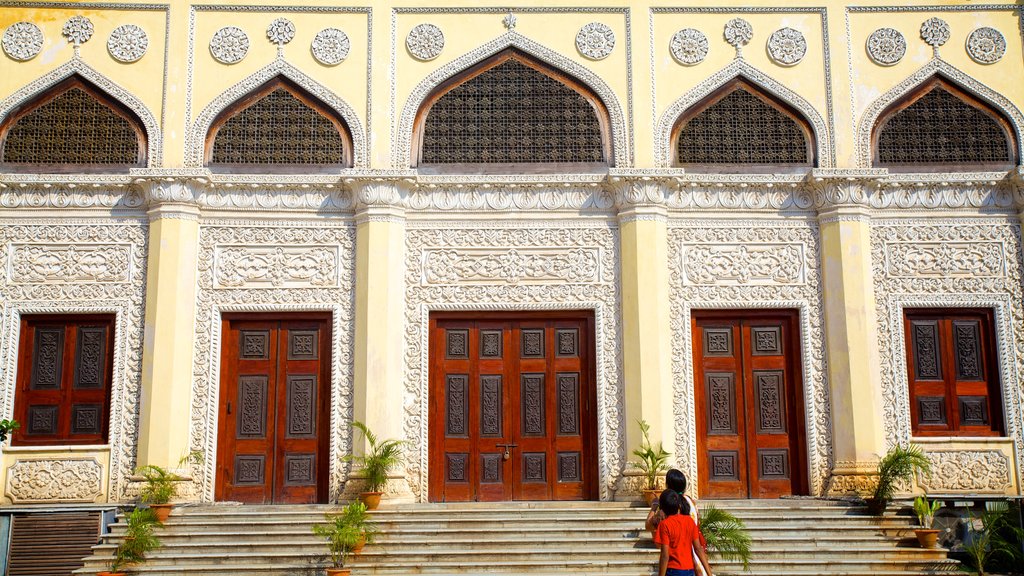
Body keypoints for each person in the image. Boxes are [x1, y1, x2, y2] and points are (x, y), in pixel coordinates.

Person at [646, 469, 707, 576]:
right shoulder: (691, 502)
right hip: (691, 559)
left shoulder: (667, 505)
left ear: (668, 485)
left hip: (674, 563)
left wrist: (654, 506)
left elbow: (649, 525)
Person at [654, 489, 713, 576]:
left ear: (662, 508)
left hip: (673, 570)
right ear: (679, 505)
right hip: (689, 570)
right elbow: (698, 549)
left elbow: (665, 555)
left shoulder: (664, 525)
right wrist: (709, 574)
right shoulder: (689, 521)